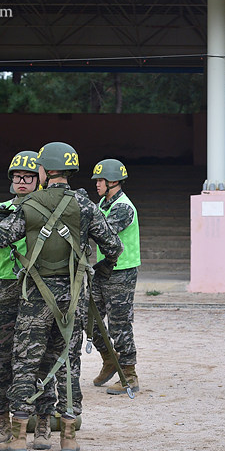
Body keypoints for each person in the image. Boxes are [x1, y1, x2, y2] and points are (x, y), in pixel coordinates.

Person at [0, 141, 122, 451]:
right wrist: (93, 268)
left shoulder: (29, 205)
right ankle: (67, 437)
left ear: (44, 170)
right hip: (72, 300)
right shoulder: (86, 206)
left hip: (35, 298)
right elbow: (115, 246)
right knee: (68, 362)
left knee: (26, 362)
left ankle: (18, 438)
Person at [0, 151, 56, 450]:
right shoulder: (0, 209)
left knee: (41, 356)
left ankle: (42, 423)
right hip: (7, 288)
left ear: (39, 178)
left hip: (38, 288)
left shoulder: (47, 209)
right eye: (17, 177)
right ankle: (2, 420)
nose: (22, 182)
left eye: (28, 177)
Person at [89, 158, 142, 395]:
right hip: (104, 269)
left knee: (119, 324)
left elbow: (102, 231)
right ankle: (110, 360)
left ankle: (129, 375)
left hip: (122, 271)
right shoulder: (104, 203)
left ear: (114, 182)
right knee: (89, 319)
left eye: (101, 180)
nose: (97, 184)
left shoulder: (123, 207)